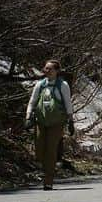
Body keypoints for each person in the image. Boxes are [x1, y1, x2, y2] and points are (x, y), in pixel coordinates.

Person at [25, 60, 74, 191]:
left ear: (57, 71)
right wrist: (28, 116)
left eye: (49, 69)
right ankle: (45, 168)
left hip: (57, 123)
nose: (46, 71)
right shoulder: (40, 84)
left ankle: (48, 180)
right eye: (45, 68)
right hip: (41, 121)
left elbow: (68, 103)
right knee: (40, 149)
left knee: (51, 149)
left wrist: (71, 121)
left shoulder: (63, 85)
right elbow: (32, 101)